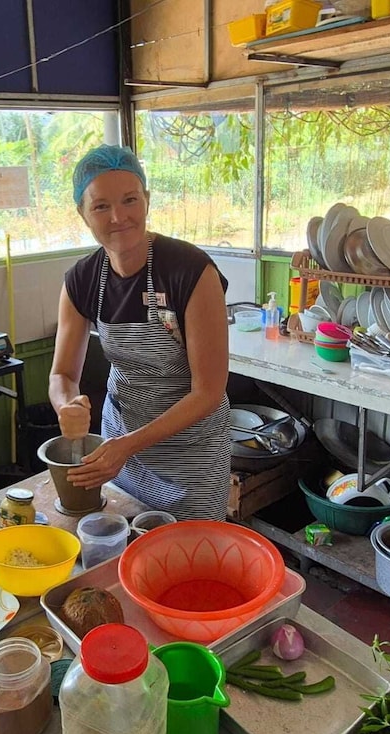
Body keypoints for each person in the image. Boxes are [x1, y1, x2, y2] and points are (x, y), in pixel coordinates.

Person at [49, 145, 231, 521]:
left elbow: (208, 391)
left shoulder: (190, 271)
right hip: (120, 450)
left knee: (188, 557)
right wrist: (66, 403)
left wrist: (127, 446)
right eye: (100, 206)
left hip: (190, 455)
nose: (119, 217)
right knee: (126, 548)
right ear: (82, 214)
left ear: (146, 200)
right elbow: (62, 375)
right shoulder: (81, 280)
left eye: (130, 200)